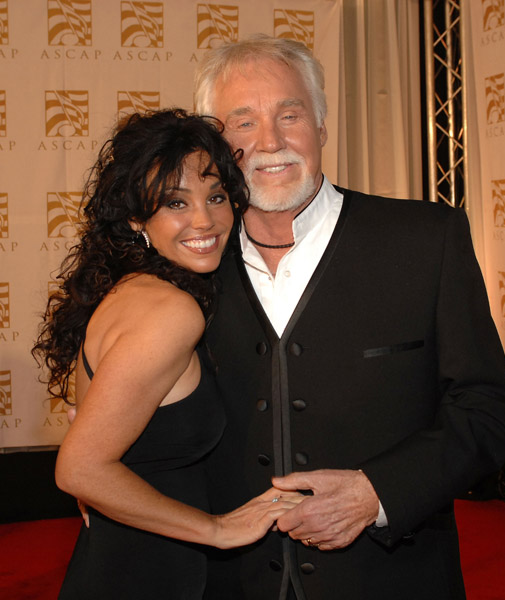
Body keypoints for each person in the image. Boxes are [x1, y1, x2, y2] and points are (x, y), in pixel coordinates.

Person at [192, 34, 505, 599]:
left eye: (290, 115)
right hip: (228, 584)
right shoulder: (187, 268)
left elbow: (486, 407)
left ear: (321, 126)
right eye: (243, 122)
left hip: (394, 580)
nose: (270, 141)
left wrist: (377, 493)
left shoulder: (426, 240)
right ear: (215, 146)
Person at [32, 108, 302, 600]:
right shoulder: (171, 311)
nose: (204, 220)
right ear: (137, 217)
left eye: (216, 196)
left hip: (118, 561)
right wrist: (217, 530)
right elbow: (80, 469)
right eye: (176, 202)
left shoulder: (130, 290)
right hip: (146, 575)